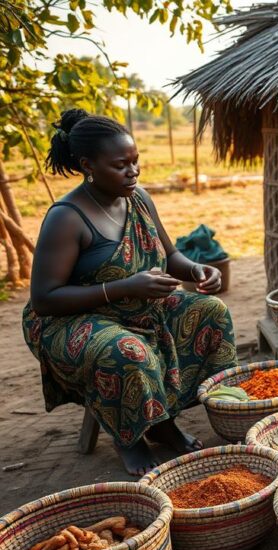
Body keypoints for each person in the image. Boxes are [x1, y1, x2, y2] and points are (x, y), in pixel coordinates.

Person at [22, 110, 237, 476]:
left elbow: (171, 256)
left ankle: (161, 421)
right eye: (120, 165)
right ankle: (130, 438)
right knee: (125, 351)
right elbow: (44, 299)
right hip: (70, 320)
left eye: (135, 161)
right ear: (88, 165)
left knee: (210, 311)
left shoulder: (138, 199)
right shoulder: (67, 217)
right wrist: (124, 287)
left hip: (137, 307)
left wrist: (197, 270)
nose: (133, 172)